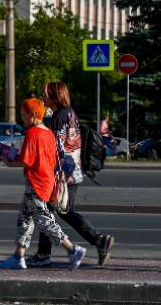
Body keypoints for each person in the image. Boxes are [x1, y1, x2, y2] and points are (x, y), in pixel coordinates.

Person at [27, 82, 114, 268]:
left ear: (55, 96)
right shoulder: (69, 113)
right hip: (72, 170)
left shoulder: (59, 117)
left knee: (54, 212)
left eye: (45, 94)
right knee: (53, 211)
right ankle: (44, 254)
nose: (43, 97)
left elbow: (57, 147)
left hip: (63, 173)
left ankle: (99, 240)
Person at [0, 98, 87, 270]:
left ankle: (72, 249)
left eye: (24, 115)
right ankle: (18, 256)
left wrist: (9, 161)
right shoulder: (47, 132)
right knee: (25, 219)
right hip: (46, 180)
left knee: (43, 220)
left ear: (33, 115)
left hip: (36, 182)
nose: (22, 118)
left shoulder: (32, 133)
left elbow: (27, 161)